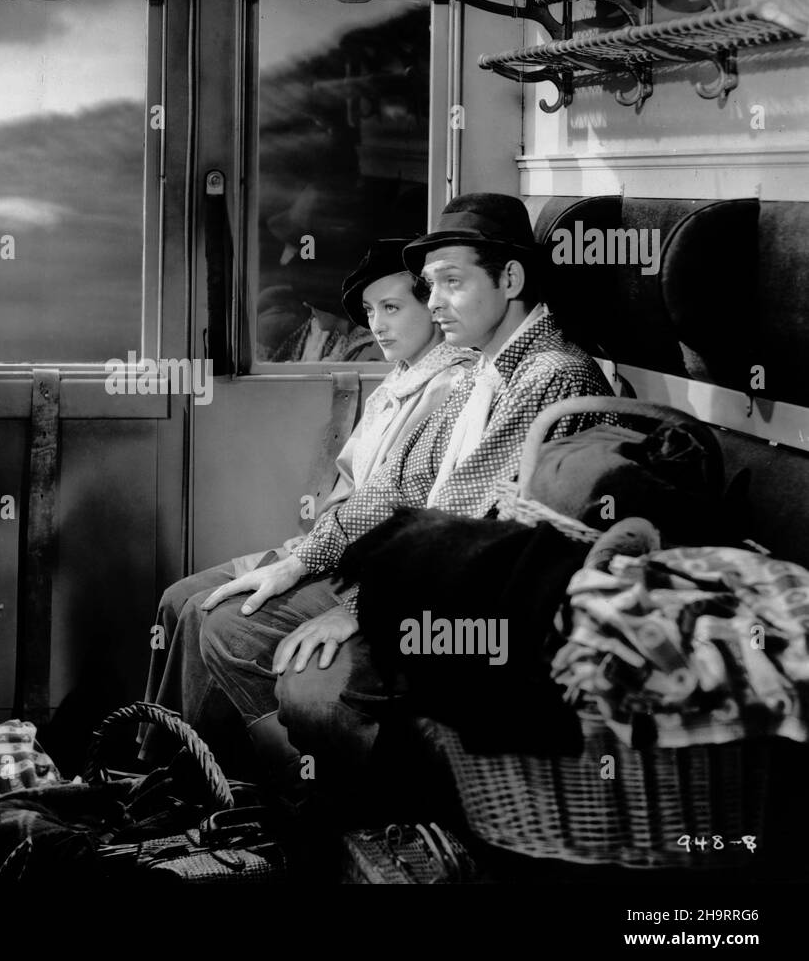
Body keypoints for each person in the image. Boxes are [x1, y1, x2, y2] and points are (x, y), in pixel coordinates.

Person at [196, 193, 614, 797]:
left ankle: (371, 817)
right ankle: (299, 801)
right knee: (229, 626)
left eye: (452, 282)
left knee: (312, 687)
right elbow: (399, 486)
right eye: (429, 284)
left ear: (512, 279)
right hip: (432, 584)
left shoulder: (547, 375)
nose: (435, 301)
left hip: (493, 613)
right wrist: (302, 561)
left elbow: (472, 528)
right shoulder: (477, 366)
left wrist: (362, 608)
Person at [143, 236, 477, 762]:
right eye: (370, 311)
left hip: (366, 565)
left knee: (214, 615)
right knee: (177, 600)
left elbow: (405, 507)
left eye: (392, 308)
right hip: (331, 544)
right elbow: (349, 492)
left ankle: (215, 779)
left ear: (432, 309)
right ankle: (165, 769)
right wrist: (302, 552)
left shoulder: (452, 385)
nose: (377, 325)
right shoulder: (400, 380)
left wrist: (315, 563)